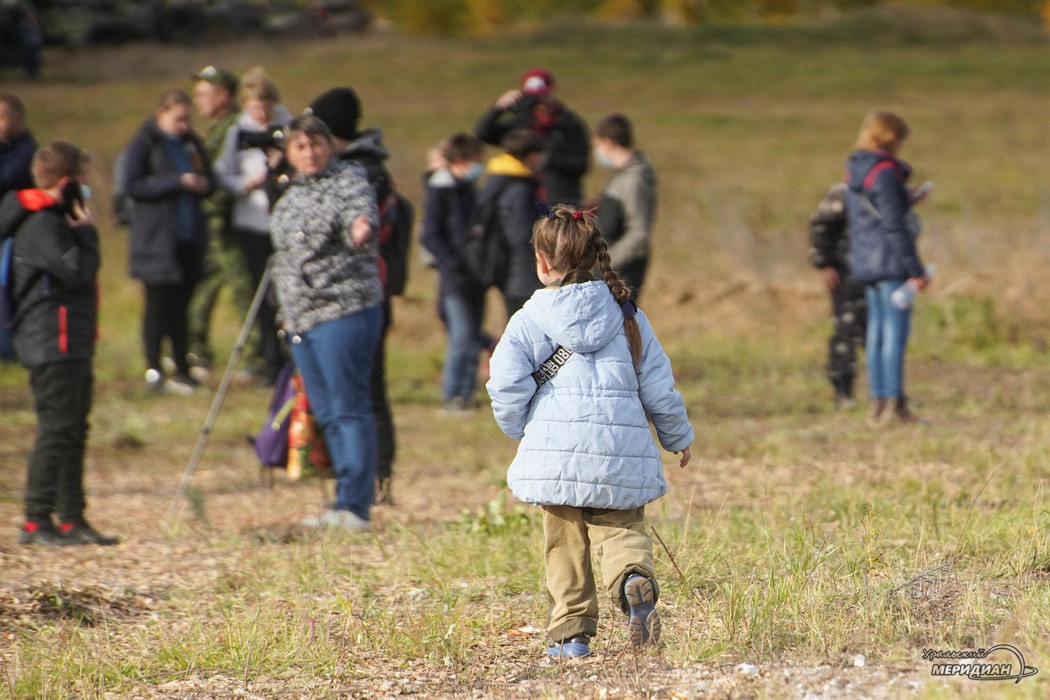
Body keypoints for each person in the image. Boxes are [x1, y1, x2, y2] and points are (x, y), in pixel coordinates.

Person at [486, 206, 694, 659]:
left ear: (542, 263)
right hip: (620, 451)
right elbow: (658, 384)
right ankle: (633, 579)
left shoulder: (528, 317)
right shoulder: (628, 316)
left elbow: (504, 383)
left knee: (564, 542)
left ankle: (571, 634)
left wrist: (518, 427)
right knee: (621, 528)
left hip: (555, 451)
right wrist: (677, 437)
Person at [268, 115, 383, 532]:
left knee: (349, 408)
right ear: (289, 153)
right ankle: (342, 502)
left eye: (315, 144)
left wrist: (360, 227)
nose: (309, 152)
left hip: (343, 309)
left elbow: (361, 212)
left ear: (329, 146)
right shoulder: (290, 190)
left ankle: (356, 505)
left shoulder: (349, 179)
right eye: (300, 146)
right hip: (301, 318)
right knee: (328, 411)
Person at [0, 140, 117, 545]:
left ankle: (71, 517)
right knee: (55, 429)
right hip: (51, 340)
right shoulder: (42, 223)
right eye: (83, 182)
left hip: (69, 338)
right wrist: (87, 232)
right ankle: (35, 520)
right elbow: (77, 270)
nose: (87, 191)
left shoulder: (52, 220)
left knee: (73, 428)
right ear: (67, 183)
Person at [307, 87, 406, 504]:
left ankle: (376, 479)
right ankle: (349, 475)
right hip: (327, 298)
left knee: (367, 392)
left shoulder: (366, 173)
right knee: (340, 394)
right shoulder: (343, 170)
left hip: (365, 295)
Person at [123, 89, 214, 395]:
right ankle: (154, 369)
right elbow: (132, 185)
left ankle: (182, 368)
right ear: (161, 113)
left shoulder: (191, 143)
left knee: (182, 306)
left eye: (188, 119)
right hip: (156, 241)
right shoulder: (145, 144)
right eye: (178, 118)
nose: (183, 125)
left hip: (187, 239)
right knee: (158, 305)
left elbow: (209, 177)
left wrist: (203, 183)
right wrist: (177, 181)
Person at [845, 110, 930, 424]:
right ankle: (895, 404)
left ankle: (878, 403)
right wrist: (916, 269)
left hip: (866, 261)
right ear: (891, 137)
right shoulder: (884, 171)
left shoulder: (857, 168)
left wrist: (903, 198)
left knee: (876, 335)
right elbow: (894, 224)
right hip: (891, 263)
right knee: (894, 335)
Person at [215, 68, 292, 385]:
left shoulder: (290, 126)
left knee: (286, 291)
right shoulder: (238, 132)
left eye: (266, 105)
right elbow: (222, 174)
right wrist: (248, 183)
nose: (261, 112)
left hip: (284, 221)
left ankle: (291, 359)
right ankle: (269, 359)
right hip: (251, 221)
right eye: (255, 106)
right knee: (261, 294)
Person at [186, 65, 255, 376]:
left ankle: (256, 357)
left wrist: (212, 204)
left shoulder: (234, 128)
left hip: (229, 224)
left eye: (203, 94)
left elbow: (225, 178)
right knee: (202, 289)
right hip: (213, 224)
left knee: (244, 289)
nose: (198, 101)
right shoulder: (218, 128)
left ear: (223, 96)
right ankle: (195, 350)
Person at [420, 133, 486, 411]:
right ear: (458, 161)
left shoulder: (469, 189)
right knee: (460, 337)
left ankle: (467, 394)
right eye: (474, 161)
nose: (478, 167)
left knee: (473, 337)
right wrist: (454, 263)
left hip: (477, 276)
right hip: (455, 279)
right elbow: (430, 235)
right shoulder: (440, 191)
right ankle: (451, 396)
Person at [475, 68, 589, 207]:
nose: (538, 103)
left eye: (543, 96)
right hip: (524, 199)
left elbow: (581, 165)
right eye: (532, 97)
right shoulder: (521, 124)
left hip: (559, 200)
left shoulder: (569, 124)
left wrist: (548, 159)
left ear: (552, 92)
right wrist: (498, 108)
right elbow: (484, 133)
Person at [809, 182, 867, 409]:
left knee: (878, 335)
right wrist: (826, 264)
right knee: (846, 332)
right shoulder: (844, 191)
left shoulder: (886, 185)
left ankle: (884, 395)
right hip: (847, 274)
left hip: (879, 273)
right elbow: (821, 227)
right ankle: (843, 391)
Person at [477, 128, 545, 317]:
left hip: (509, 272)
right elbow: (521, 233)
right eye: (538, 154)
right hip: (523, 272)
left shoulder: (498, 180)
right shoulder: (519, 188)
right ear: (529, 155)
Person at [593, 114, 657, 300]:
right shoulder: (624, 175)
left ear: (608, 142)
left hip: (622, 271)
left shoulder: (634, 180)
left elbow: (639, 234)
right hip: (613, 270)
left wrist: (605, 264)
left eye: (597, 144)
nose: (596, 150)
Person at [0, 94, 37, 199]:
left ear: (17, 119)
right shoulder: (5, 149)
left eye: (1, 118)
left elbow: (4, 182)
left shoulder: (26, 155)